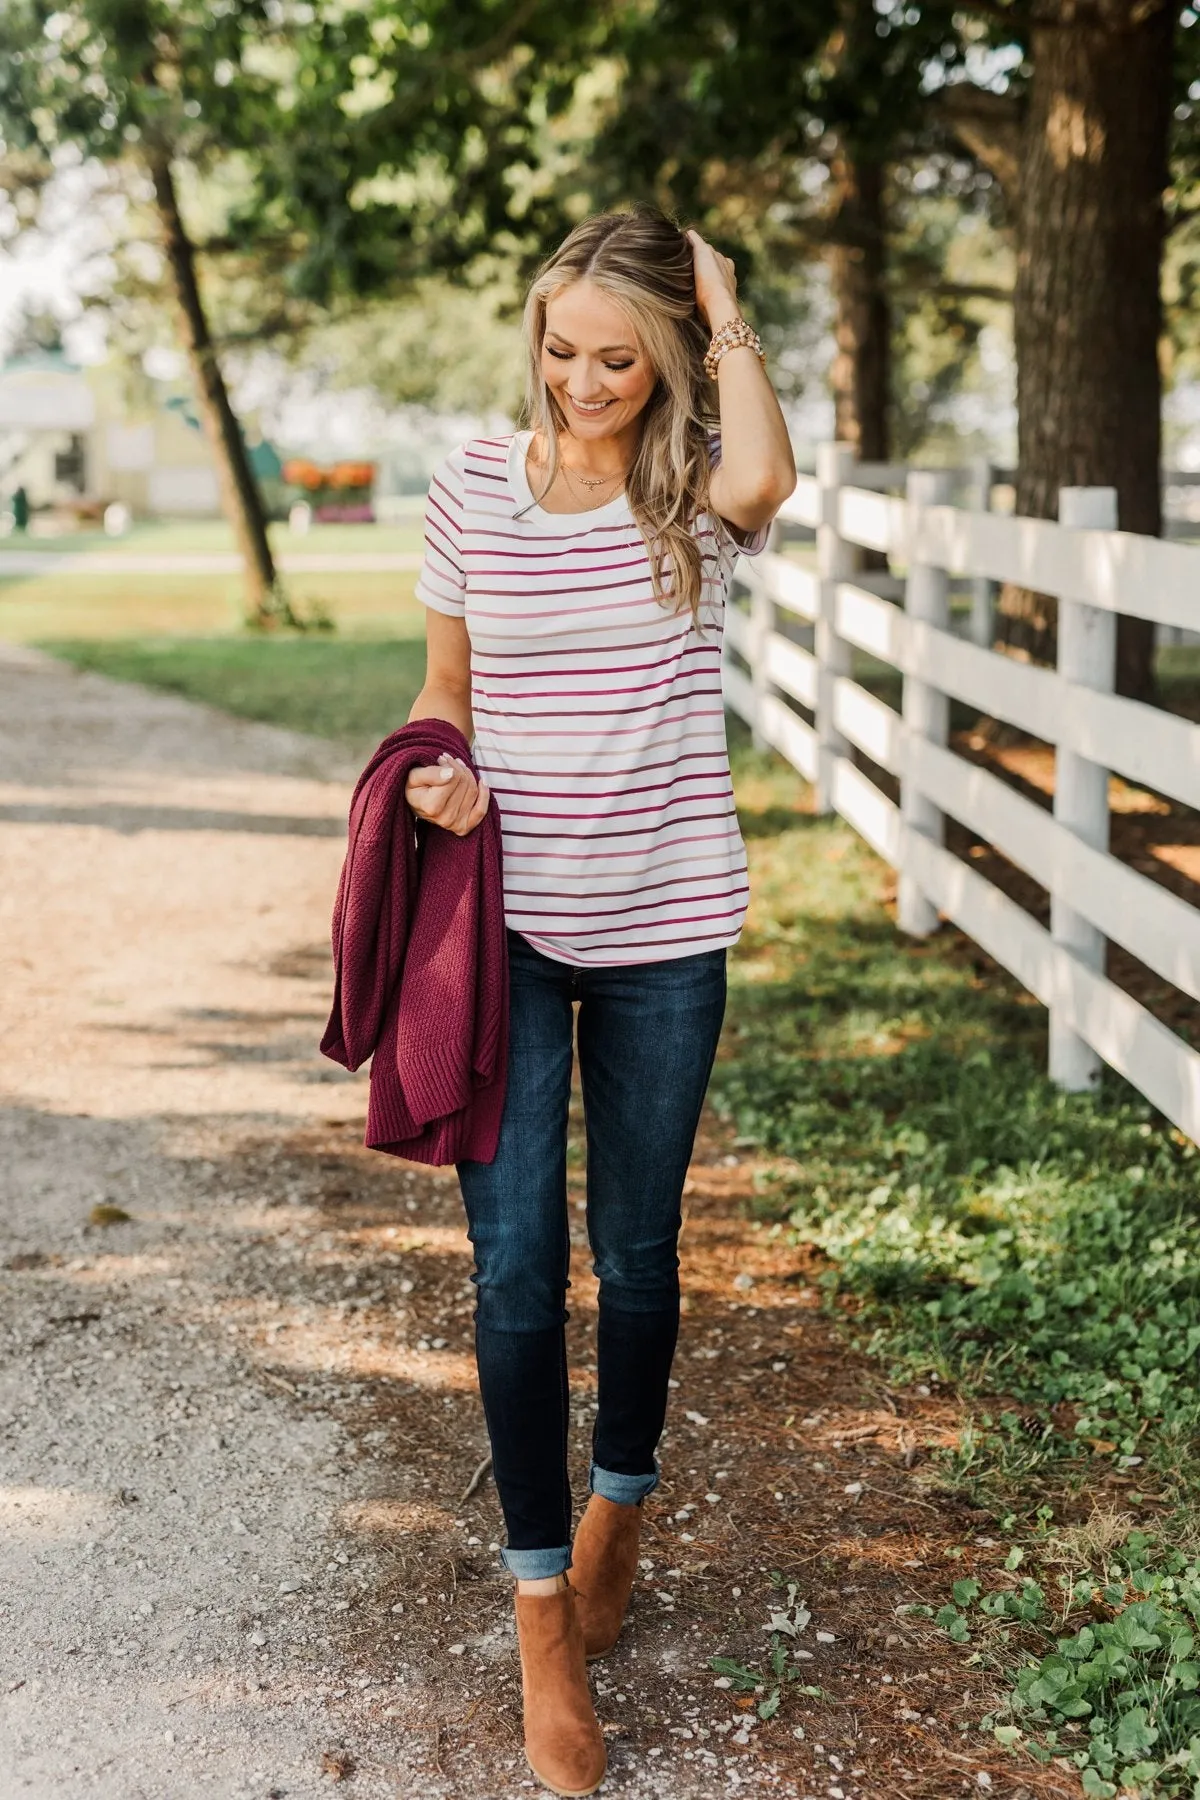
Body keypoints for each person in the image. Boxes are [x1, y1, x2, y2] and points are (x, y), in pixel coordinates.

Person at [405, 205, 796, 1797]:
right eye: (561, 350)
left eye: (619, 357)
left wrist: (728, 308)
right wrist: (437, 767)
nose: (582, 379)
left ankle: (618, 1502)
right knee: (513, 1275)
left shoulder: (690, 503)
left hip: (665, 931)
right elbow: (447, 687)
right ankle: (541, 1612)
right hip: (504, 934)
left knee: (638, 1254)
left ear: (670, 361)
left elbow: (769, 477)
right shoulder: (467, 490)